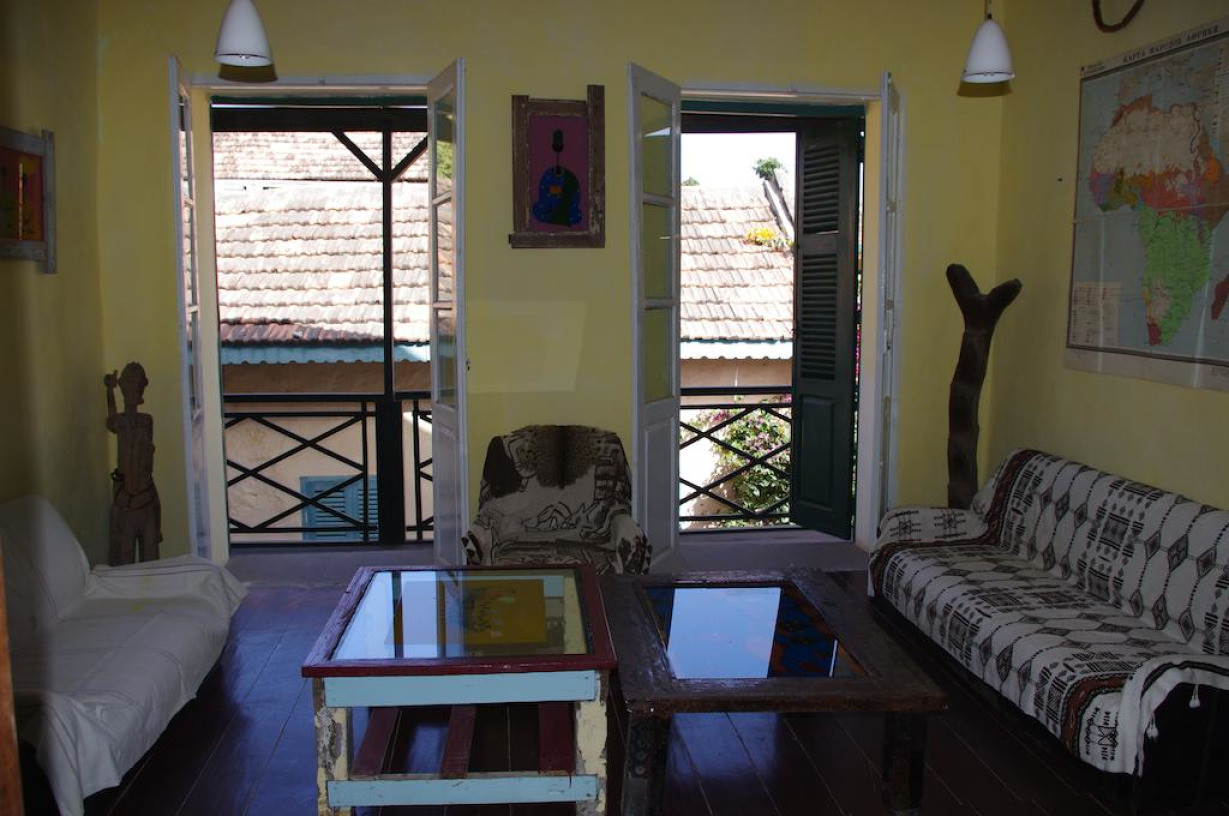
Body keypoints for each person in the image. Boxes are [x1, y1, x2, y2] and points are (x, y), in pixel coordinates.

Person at [105, 362, 161, 565]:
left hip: (144, 492)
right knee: (124, 554)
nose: (133, 391)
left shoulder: (146, 420)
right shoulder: (121, 421)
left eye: (137, 385)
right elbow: (112, 422)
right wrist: (109, 392)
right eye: (130, 385)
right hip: (126, 496)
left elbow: (146, 456)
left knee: (150, 553)